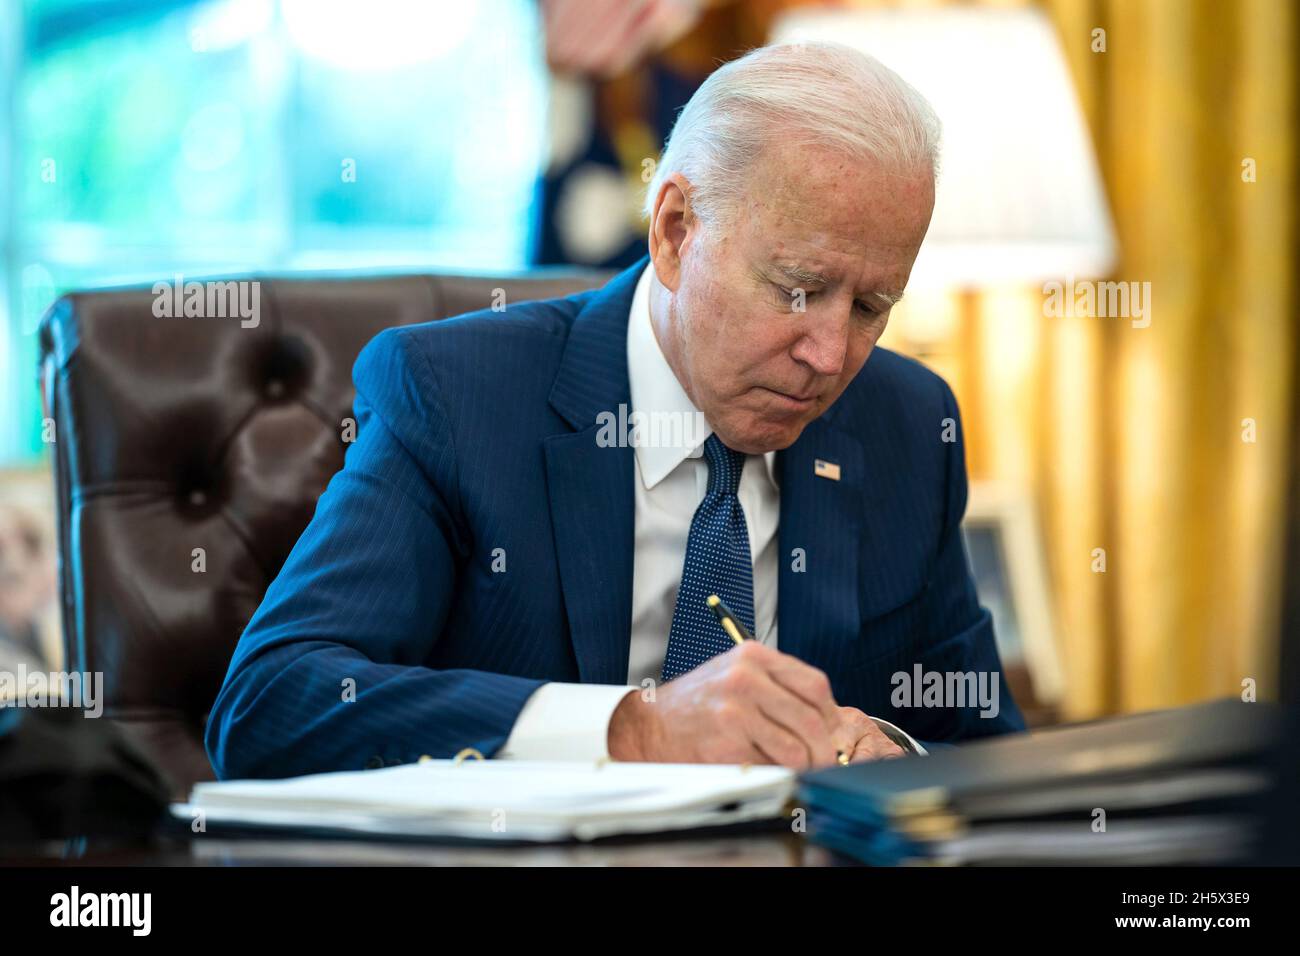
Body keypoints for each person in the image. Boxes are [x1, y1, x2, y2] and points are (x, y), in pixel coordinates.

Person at [206, 41, 1024, 781]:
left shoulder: (907, 425)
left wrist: (890, 749)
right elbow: (272, 703)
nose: (830, 355)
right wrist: (635, 731)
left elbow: (987, 751)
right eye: (797, 290)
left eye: (872, 306)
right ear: (674, 231)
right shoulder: (457, 396)